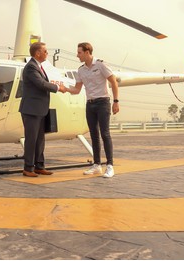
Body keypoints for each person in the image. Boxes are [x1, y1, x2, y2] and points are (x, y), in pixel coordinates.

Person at [66, 42, 119, 178]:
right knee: (94, 135)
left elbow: (113, 82)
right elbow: (77, 90)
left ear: (87, 52)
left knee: (105, 134)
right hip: (90, 104)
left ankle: (110, 166)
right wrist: (63, 88)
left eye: (79, 53)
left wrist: (116, 102)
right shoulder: (81, 70)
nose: (77, 55)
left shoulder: (100, 65)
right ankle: (97, 165)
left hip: (103, 102)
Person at [19, 42, 67, 177]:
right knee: (31, 139)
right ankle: (28, 168)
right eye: (45, 51)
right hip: (31, 110)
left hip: (40, 109)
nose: (47, 53)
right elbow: (41, 84)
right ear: (37, 53)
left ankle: (39, 166)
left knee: (40, 139)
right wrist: (58, 88)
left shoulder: (38, 66)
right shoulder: (31, 67)